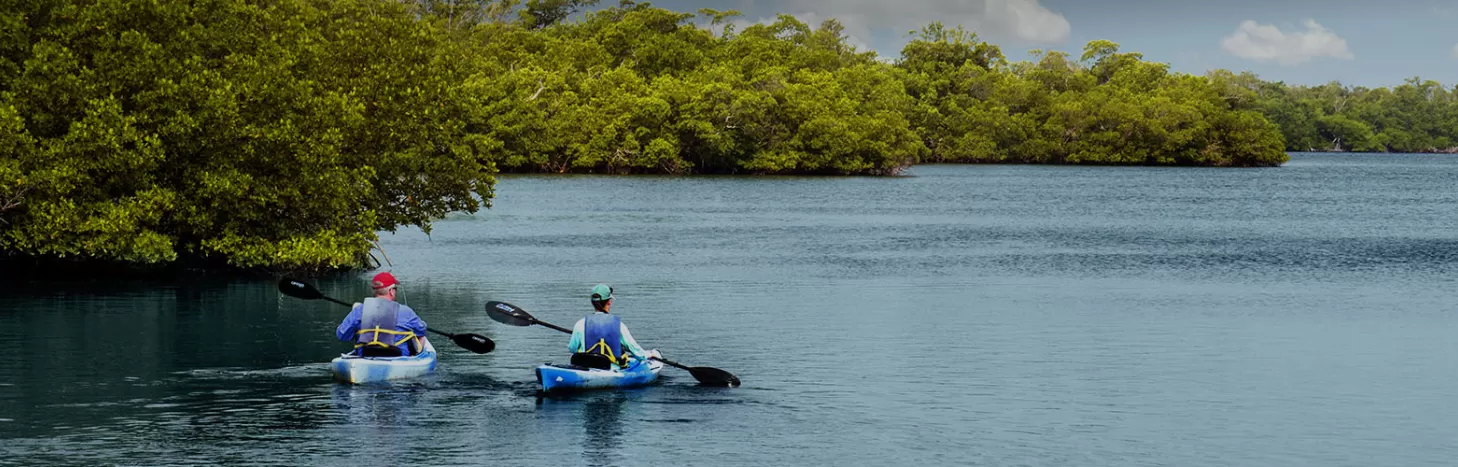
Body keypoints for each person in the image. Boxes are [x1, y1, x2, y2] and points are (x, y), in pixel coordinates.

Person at [335, 272, 430, 357]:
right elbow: (421, 330)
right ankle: (414, 358)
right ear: (391, 291)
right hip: (398, 356)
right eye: (395, 289)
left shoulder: (359, 310)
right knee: (421, 337)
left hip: (366, 354)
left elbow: (341, 335)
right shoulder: (406, 311)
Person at [568, 284, 658, 367]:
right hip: (611, 369)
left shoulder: (580, 324)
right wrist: (649, 354)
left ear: (592, 302)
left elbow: (572, 348)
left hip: (586, 367)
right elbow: (635, 350)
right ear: (609, 302)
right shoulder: (618, 325)